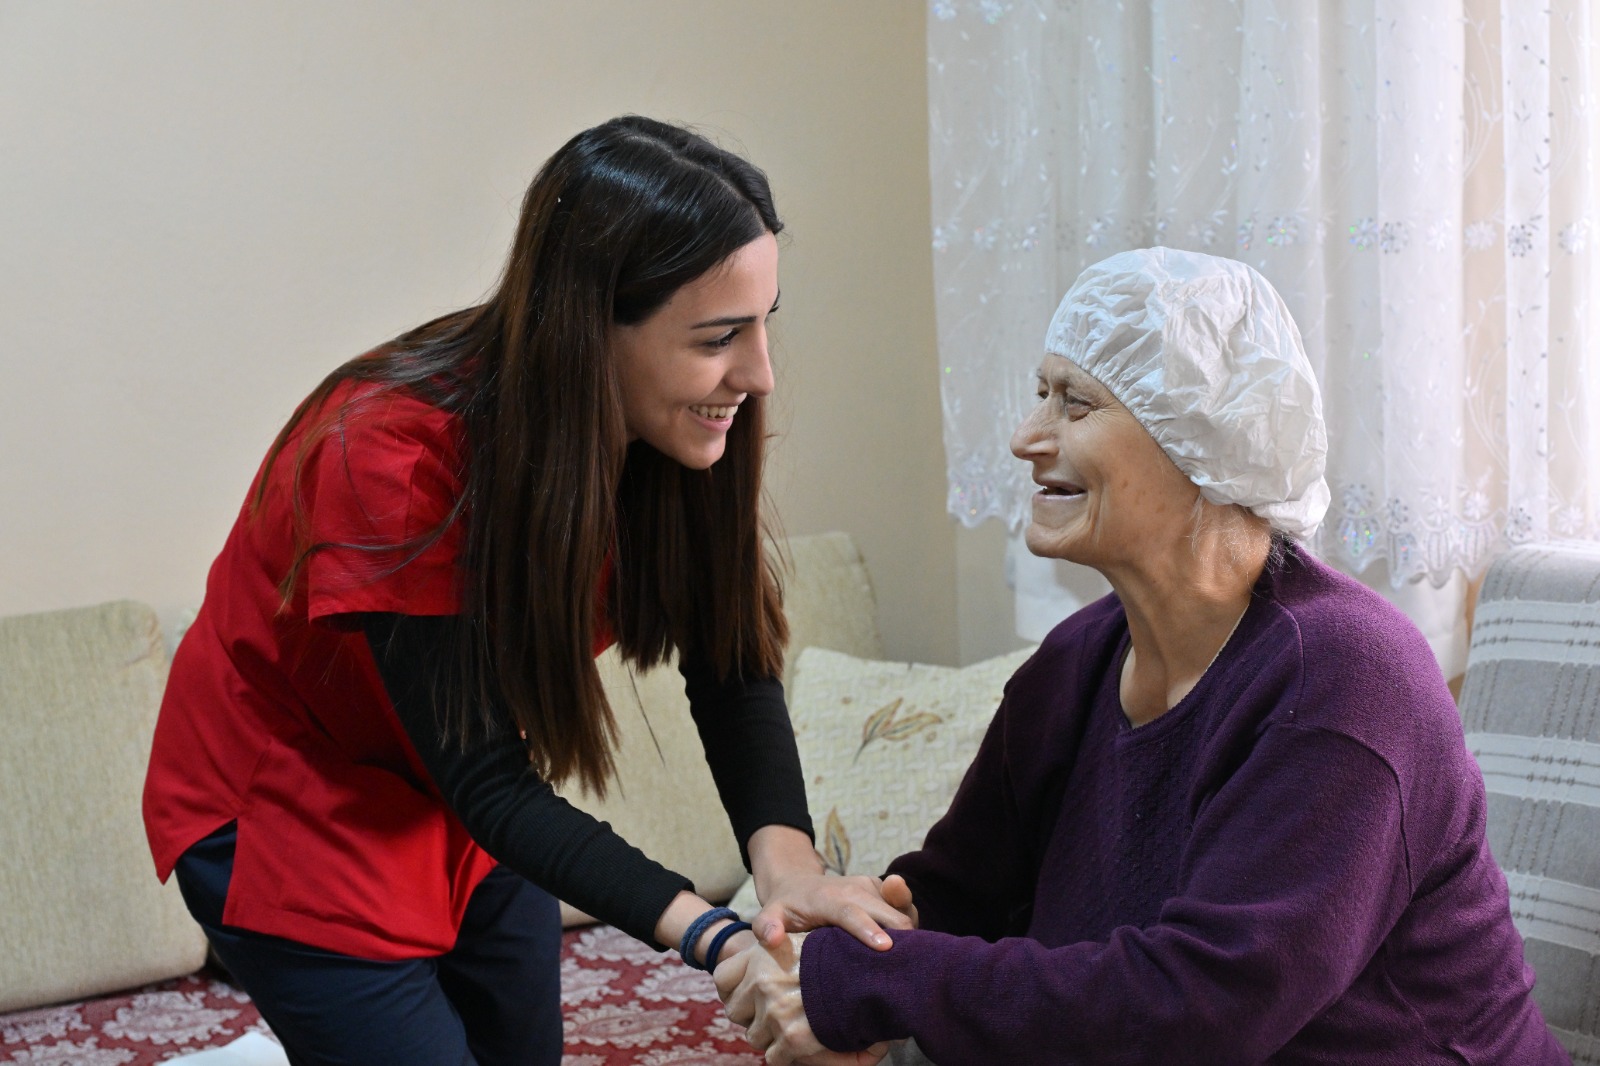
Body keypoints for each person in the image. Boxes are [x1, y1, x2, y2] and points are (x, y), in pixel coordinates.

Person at [141, 115, 910, 1066]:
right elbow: (488, 781)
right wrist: (716, 938)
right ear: (593, 332)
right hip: (294, 801)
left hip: (458, 802)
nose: (757, 373)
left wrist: (787, 865)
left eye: (764, 324)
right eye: (719, 336)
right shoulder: (383, 454)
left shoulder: (675, 428)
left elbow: (728, 655)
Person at [716, 247, 1570, 1065]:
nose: (1026, 437)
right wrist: (841, 938)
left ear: (1203, 438)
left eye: (1074, 404)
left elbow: (1205, 1008)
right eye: (1038, 394)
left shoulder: (1345, 679)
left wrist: (867, 983)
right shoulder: (1076, 661)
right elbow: (956, 894)